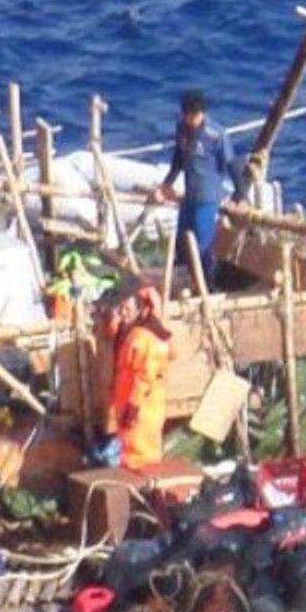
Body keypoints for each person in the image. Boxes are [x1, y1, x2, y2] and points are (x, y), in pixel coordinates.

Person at [153, 89, 239, 290]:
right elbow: (178, 160)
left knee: (202, 245)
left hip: (207, 197)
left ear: (202, 113)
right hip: (190, 196)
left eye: (195, 116)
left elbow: (231, 164)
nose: (191, 120)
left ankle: (208, 285)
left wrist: (240, 193)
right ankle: (185, 279)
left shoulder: (216, 134)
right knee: (182, 240)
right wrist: (167, 184)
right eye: (188, 115)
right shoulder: (182, 129)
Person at [102, 279, 172, 469]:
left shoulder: (146, 336)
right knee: (130, 451)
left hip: (143, 408)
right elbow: (113, 328)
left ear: (140, 308)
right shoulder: (131, 331)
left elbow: (145, 377)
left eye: (126, 308)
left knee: (142, 455)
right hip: (128, 407)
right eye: (120, 308)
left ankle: (147, 486)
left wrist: (133, 407)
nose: (122, 313)